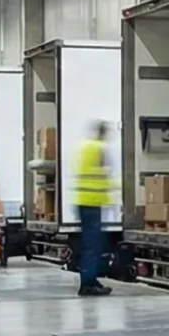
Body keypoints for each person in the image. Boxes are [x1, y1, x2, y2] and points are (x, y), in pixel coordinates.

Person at [73, 120, 113, 298]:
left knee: (89, 244)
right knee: (93, 246)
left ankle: (90, 279)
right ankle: (88, 283)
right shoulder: (99, 149)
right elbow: (104, 173)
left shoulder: (84, 147)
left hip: (82, 201)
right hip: (92, 203)